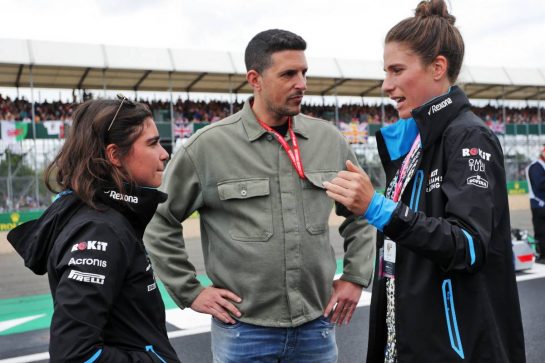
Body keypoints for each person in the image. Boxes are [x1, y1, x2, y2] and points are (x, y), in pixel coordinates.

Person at [143, 29, 374, 362]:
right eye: (288, 74)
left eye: (304, 72)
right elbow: (158, 218)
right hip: (243, 331)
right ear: (255, 79)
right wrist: (189, 291)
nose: (302, 84)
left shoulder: (329, 141)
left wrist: (354, 277)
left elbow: (360, 211)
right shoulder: (208, 147)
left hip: (316, 325)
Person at [323, 1, 525, 362]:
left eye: (397, 70)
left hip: (453, 347)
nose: (386, 85)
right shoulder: (412, 142)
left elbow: (468, 244)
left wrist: (377, 207)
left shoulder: (468, 138)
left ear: (437, 67)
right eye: (385, 72)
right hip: (405, 339)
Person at [7, 96, 180, 362]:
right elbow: (73, 355)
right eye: (153, 143)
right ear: (114, 155)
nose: (164, 153)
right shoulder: (100, 229)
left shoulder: (103, 217)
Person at [527, 146, 545, 260]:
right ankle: (542, 255)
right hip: (539, 205)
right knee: (541, 232)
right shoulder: (535, 166)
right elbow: (540, 184)